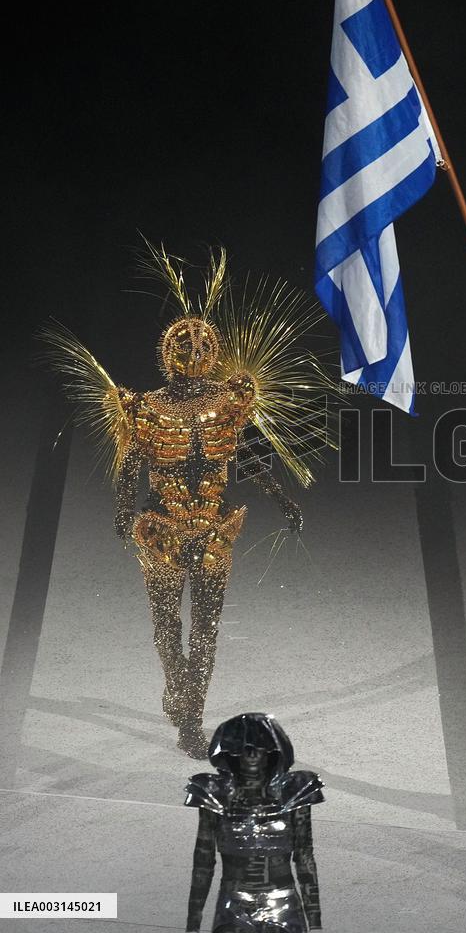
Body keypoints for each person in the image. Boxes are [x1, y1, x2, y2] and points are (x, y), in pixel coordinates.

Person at [40, 243, 335, 759]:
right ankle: (179, 691)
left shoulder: (229, 403)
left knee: (205, 626)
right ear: (168, 358)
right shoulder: (146, 409)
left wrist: (280, 497)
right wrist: (125, 507)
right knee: (167, 624)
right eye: (186, 353)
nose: (195, 361)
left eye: (202, 353)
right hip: (161, 528)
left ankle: (189, 714)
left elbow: (246, 459)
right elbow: (133, 463)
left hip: (216, 528)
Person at [184, 713, 324, 932]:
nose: (250, 756)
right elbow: (203, 861)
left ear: (272, 753)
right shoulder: (214, 793)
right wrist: (193, 923)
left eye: (258, 749)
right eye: (243, 749)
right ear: (231, 754)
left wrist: (315, 922)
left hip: (283, 904)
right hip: (233, 905)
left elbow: (304, 856)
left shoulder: (294, 792)